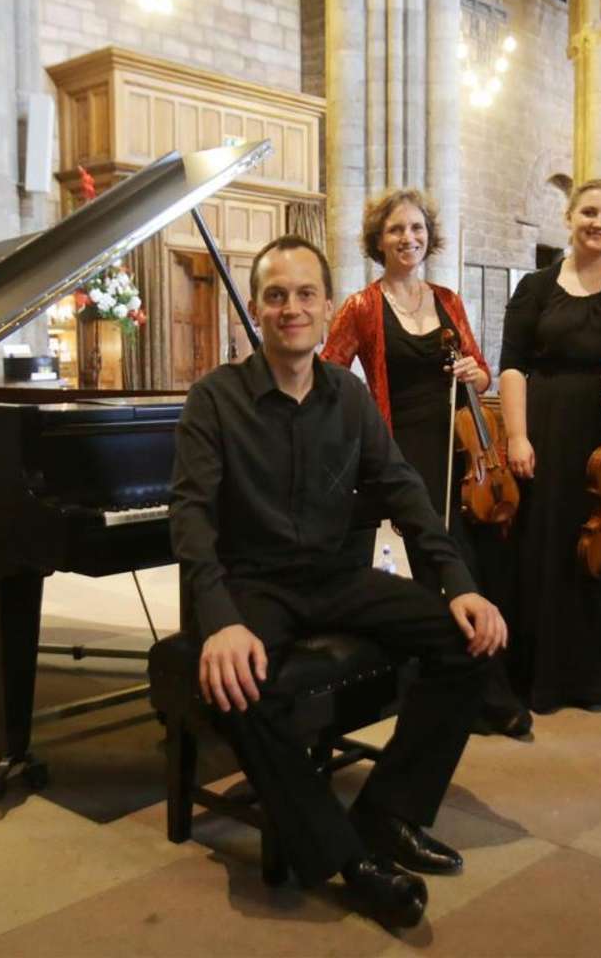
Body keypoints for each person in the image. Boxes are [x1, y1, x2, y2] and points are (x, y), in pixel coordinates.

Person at [170, 234, 508, 930]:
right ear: (256, 312)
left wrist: (457, 582)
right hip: (253, 585)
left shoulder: (348, 397)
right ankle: (350, 860)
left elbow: (404, 490)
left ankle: (390, 813)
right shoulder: (215, 398)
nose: (290, 308)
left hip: (333, 576)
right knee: (244, 685)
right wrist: (219, 617)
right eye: (275, 295)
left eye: (304, 295)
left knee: (468, 640)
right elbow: (192, 517)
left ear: (327, 309)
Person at [321, 187, 532, 739]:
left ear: (428, 236)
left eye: (416, 229)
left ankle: (473, 685)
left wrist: (472, 373)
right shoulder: (361, 306)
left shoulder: (447, 299)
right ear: (379, 240)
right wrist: (362, 423)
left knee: (476, 565)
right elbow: (328, 374)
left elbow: (484, 372)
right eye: (395, 230)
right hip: (407, 453)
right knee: (442, 569)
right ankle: (479, 694)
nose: (407, 239)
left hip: (465, 448)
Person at [499, 178, 601, 713]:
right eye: (589, 212)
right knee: (548, 546)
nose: (599, 223)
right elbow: (513, 366)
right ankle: (548, 674)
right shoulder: (536, 287)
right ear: (569, 216)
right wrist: (518, 436)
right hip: (549, 429)